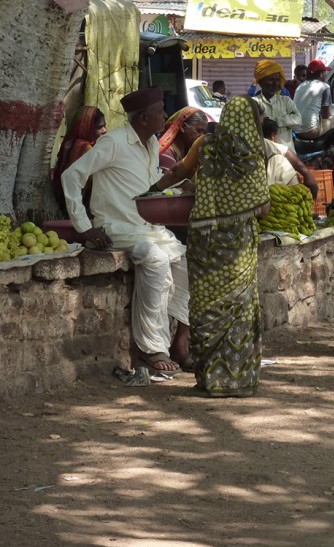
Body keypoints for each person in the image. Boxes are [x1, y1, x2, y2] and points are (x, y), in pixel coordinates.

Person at [61, 87, 191, 374]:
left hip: (147, 228)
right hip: (116, 228)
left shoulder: (152, 144)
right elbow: (71, 176)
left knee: (185, 263)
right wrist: (84, 228)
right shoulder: (113, 142)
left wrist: (181, 185)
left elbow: (149, 182)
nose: (166, 116)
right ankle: (151, 349)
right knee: (155, 259)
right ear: (143, 118)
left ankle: (180, 342)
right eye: (160, 111)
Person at [186, 96, 271, 397]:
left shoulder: (206, 146)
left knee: (206, 305)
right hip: (237, 244)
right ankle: (235, 380)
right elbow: (262, 208)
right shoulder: (251, 156)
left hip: (204, 243)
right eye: (258, 118)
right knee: (237, 307)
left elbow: (186, 174)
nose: (261, 124)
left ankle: (209, 379)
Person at [53, 106, 107, 214]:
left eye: (104, 125)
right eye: (99, 127)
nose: (104, 130)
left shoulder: (70, 144)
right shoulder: (86, 148)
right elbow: (98, 180)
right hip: (82, 207)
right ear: (86, 127)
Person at [254, 60, 302, 152]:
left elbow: (298, 119)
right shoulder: (254, 103)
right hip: (265, 155)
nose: (275, 83)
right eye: (271, 80)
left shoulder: (286, 101)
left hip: (287, 156)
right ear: (260, 82)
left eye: (277, 80)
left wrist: (275, 121)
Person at [262, 118, 318, 196]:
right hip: (267, 192)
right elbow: (286, 152)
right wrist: (307, 174)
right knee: (279, 159)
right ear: (273, 135)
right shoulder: (263, 143)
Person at [295, 59, 334, 138]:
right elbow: (325, 114)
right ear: (321, 74)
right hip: (311, 131)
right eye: (324, 73)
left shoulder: (300, 86)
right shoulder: (325, 86)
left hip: (296, 130)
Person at [158, 107, 209, 171]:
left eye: (203, 132)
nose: (201, 136)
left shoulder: (186, 153)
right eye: (198, 131)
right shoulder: (167, 155)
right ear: (183, 127)